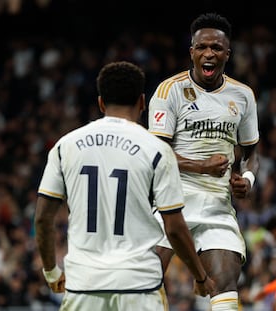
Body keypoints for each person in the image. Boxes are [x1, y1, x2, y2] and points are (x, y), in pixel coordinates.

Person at [34, 61, 215, 311]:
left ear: (100, 103)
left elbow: (43, 218)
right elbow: (174, 228)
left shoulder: (66, 146)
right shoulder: (158, 150)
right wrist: (201, 277)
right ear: (142, 102)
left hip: (84, 285)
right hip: (139, 286)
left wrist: (52, 271)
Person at [148, 12, 260, 311]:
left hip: (217, 206)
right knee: (145, 279)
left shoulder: (243, 95)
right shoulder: (168, 91)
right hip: (171, 202)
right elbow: (154, 152)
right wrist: (200, 166)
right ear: (192, 52)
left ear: (227, 54)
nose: (209, 53)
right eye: (202, 47)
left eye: (216, 48)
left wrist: (246, 179)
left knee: (225, 283)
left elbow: (251, 153)